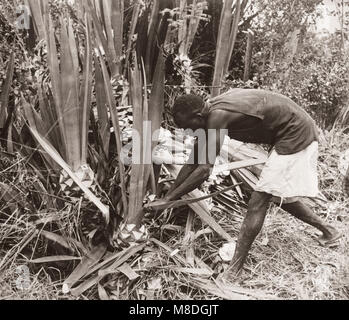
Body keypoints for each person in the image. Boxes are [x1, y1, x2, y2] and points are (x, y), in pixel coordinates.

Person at [152, 88, 341, 276]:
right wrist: (167, 197)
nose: (187, 131)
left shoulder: (218, 116)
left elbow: (203, 169)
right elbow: (193, 160)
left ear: (198, 115)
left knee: (258, 201)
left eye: (188, 126)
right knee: (275, 194)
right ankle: (330, 232)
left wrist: (169, 200)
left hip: (295, 133)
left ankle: (235, 269)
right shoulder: (209, 113)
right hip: (289, 131)